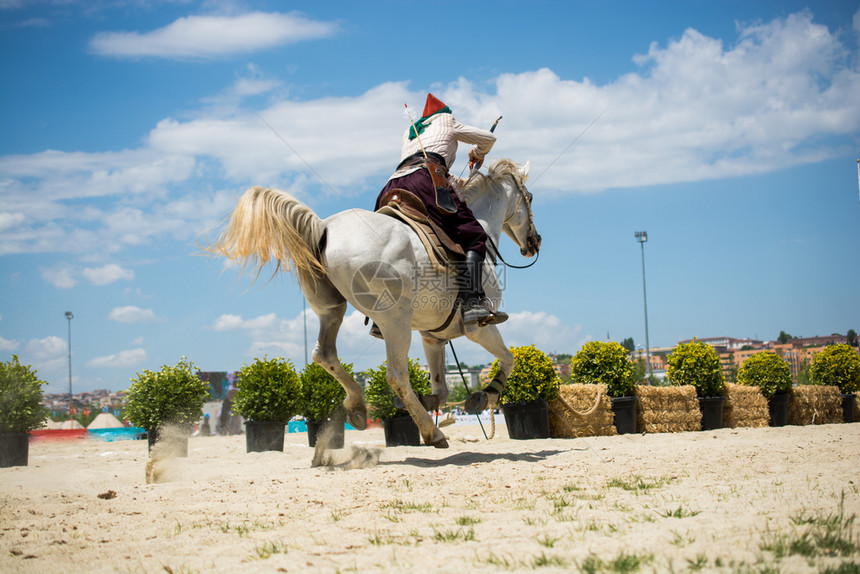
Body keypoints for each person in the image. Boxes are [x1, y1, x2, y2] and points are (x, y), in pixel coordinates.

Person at [374, 93, 508, 332]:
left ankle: (379, 316)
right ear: (445, 113)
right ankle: (472, 302)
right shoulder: (447, 120)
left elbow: (431, 169)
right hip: (426, 180)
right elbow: (489, 138)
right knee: (475, 237)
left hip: (392, 185)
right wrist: (478, 153)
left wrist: (464, 178)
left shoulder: (411, 131)